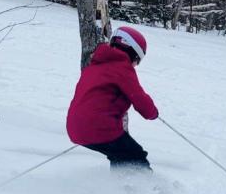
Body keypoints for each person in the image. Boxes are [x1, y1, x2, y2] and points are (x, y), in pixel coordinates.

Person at [67, 26, 159, 171]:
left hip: (75, 128)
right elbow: (139, 98)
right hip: (99, 127)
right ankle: (146, 190)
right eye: (137, 60)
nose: (136, 65)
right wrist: (153, 113)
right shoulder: (122, 67)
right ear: (132, 52)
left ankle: (119, 188)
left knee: (119, 155)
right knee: (136, 156)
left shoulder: (94, 66)